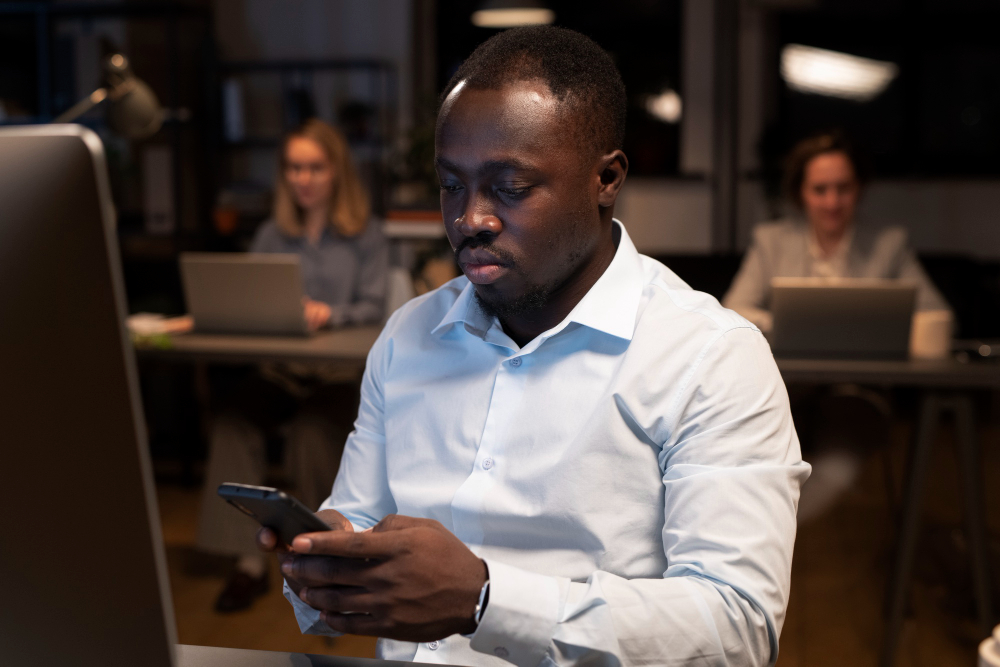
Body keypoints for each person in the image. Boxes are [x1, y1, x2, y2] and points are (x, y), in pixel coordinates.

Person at [258, 27, 809, 665]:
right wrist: (328, 557)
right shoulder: (407, 337)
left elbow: (738, 631)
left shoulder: (711, 359)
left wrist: (486, 600)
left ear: (607, 178)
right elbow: (352, 517)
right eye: (451, 185)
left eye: (511, 188)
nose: (471, 219)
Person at [197, 118, 388, 612]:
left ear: (336, 172)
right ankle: (247, 563)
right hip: (281, 370)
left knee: (311, 432)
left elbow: (373, 307)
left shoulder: (365, 234)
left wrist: (332, 313)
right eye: (294, 168)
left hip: (336, 375)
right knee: (233, 422)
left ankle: (326, 563)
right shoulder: (270, 233)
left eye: (314, 168)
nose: (303, 178)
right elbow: (253, 299)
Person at [723, 132, 951, 523]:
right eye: (820, 189)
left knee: (840, 452)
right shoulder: (772, 241)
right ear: (801, 193)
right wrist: (785, 323)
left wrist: (889, 330)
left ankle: (777, 529)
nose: (832, 202)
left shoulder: (888, 244)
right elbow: (733, 309)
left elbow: (937, 318)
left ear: (859, 189)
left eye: (843, 188)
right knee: (744, 439)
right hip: (784, 387)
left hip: (857, 392)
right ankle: (751, 529)